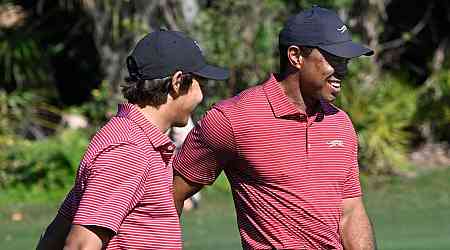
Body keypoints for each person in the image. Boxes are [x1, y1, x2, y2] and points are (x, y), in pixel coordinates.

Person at [173, 6, 377, 250]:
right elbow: (170, 195)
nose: (342, 71)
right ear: (296, 56)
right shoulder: (233, 118)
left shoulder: (340, 123)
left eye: (345, 61)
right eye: (333, 59)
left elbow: (350, 211)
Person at [36, 30, 229, 250]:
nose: (201, 95)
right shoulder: (129, 150)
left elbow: (55, 235)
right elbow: (80, 245)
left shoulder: (133, 139)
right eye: (200, 83)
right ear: (177, 82)